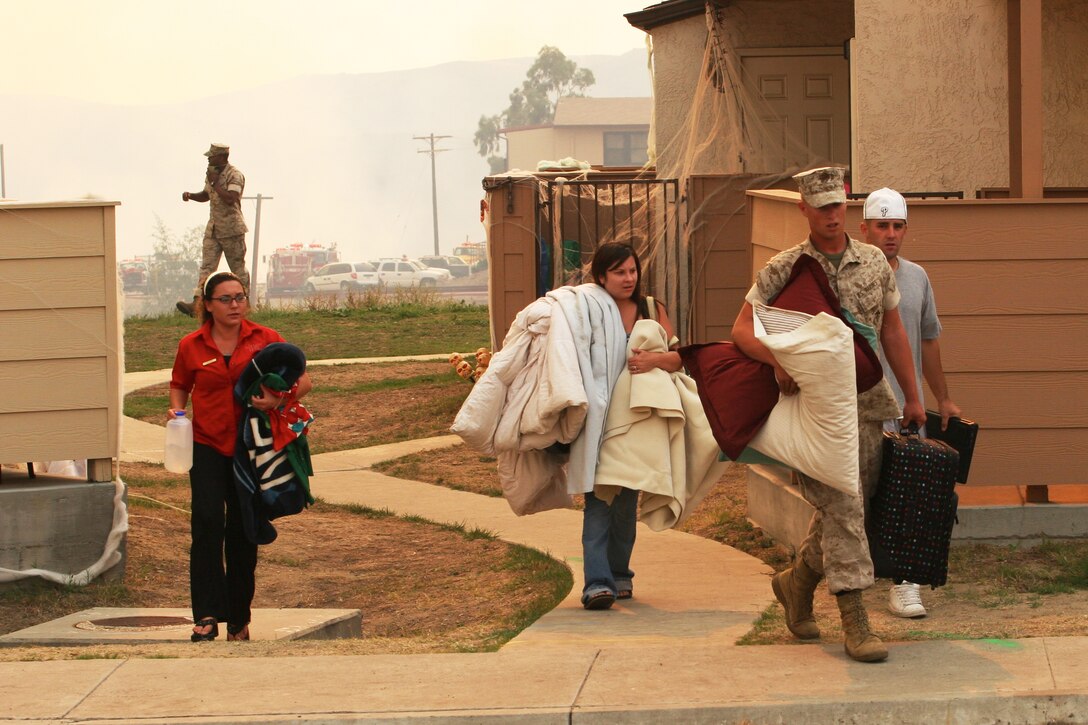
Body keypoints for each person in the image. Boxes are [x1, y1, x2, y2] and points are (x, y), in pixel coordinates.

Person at [731, 166, 925, 662]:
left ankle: (796, 584)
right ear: (804, 210)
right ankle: (855, 619)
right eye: (821, 209)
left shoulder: (876, 262)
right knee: (842, 506)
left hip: (866, 405)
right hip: (814, 414)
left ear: (847, 205)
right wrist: (779, 364)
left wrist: (914, 396)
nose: (832, 217)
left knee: (856, 504)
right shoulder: (785, 268)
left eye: (838, 206)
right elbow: (742, 332)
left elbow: (895, 332)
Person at [169, 271, 312, 641]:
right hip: (208, 445)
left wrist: (279, 399)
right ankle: (206, 615)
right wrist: (176, 411)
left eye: (240, 297)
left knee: (242, 530)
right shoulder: (192, 345)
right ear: (209, 306)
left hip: (250, 449)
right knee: (206, 524)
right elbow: (180, 384)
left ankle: (238, 619)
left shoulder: (265, 339)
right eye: (227, 299)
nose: (235, 305)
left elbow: (304, 380)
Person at [861, 187, 962, 619]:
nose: (890, 234)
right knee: (858, 498)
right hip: (859, 409)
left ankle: (906, 584)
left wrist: (943, 397)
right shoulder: (849, 277)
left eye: (897, 226)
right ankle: (843, 579)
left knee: (911, 496)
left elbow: (928, 338)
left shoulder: (917, 278)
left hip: (907, 409)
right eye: (881, 225)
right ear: (864, 228)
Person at [580, 243, 683, 610]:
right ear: (602, 277)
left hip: (639, 422)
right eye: (619, 272)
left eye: (632, 271)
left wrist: (655, 359)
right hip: (600, 421)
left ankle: (620, 575)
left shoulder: (652, 309)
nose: (628, 278)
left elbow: (678, 357)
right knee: (599, 500)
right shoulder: (588, 308)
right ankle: (596, 583)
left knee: (626, 503)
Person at [176, 143, 249, 317]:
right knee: (206, 267)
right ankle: (197, 303)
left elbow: (231, 198)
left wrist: (215, 182)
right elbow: (206, 195)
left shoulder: (234, 175)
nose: (209, 158)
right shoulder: (211, 174)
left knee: (237, 269)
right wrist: (191, 196)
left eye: (212, 156)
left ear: (223, 156)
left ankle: (244, 304)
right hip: (214, 229)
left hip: (231, 229)